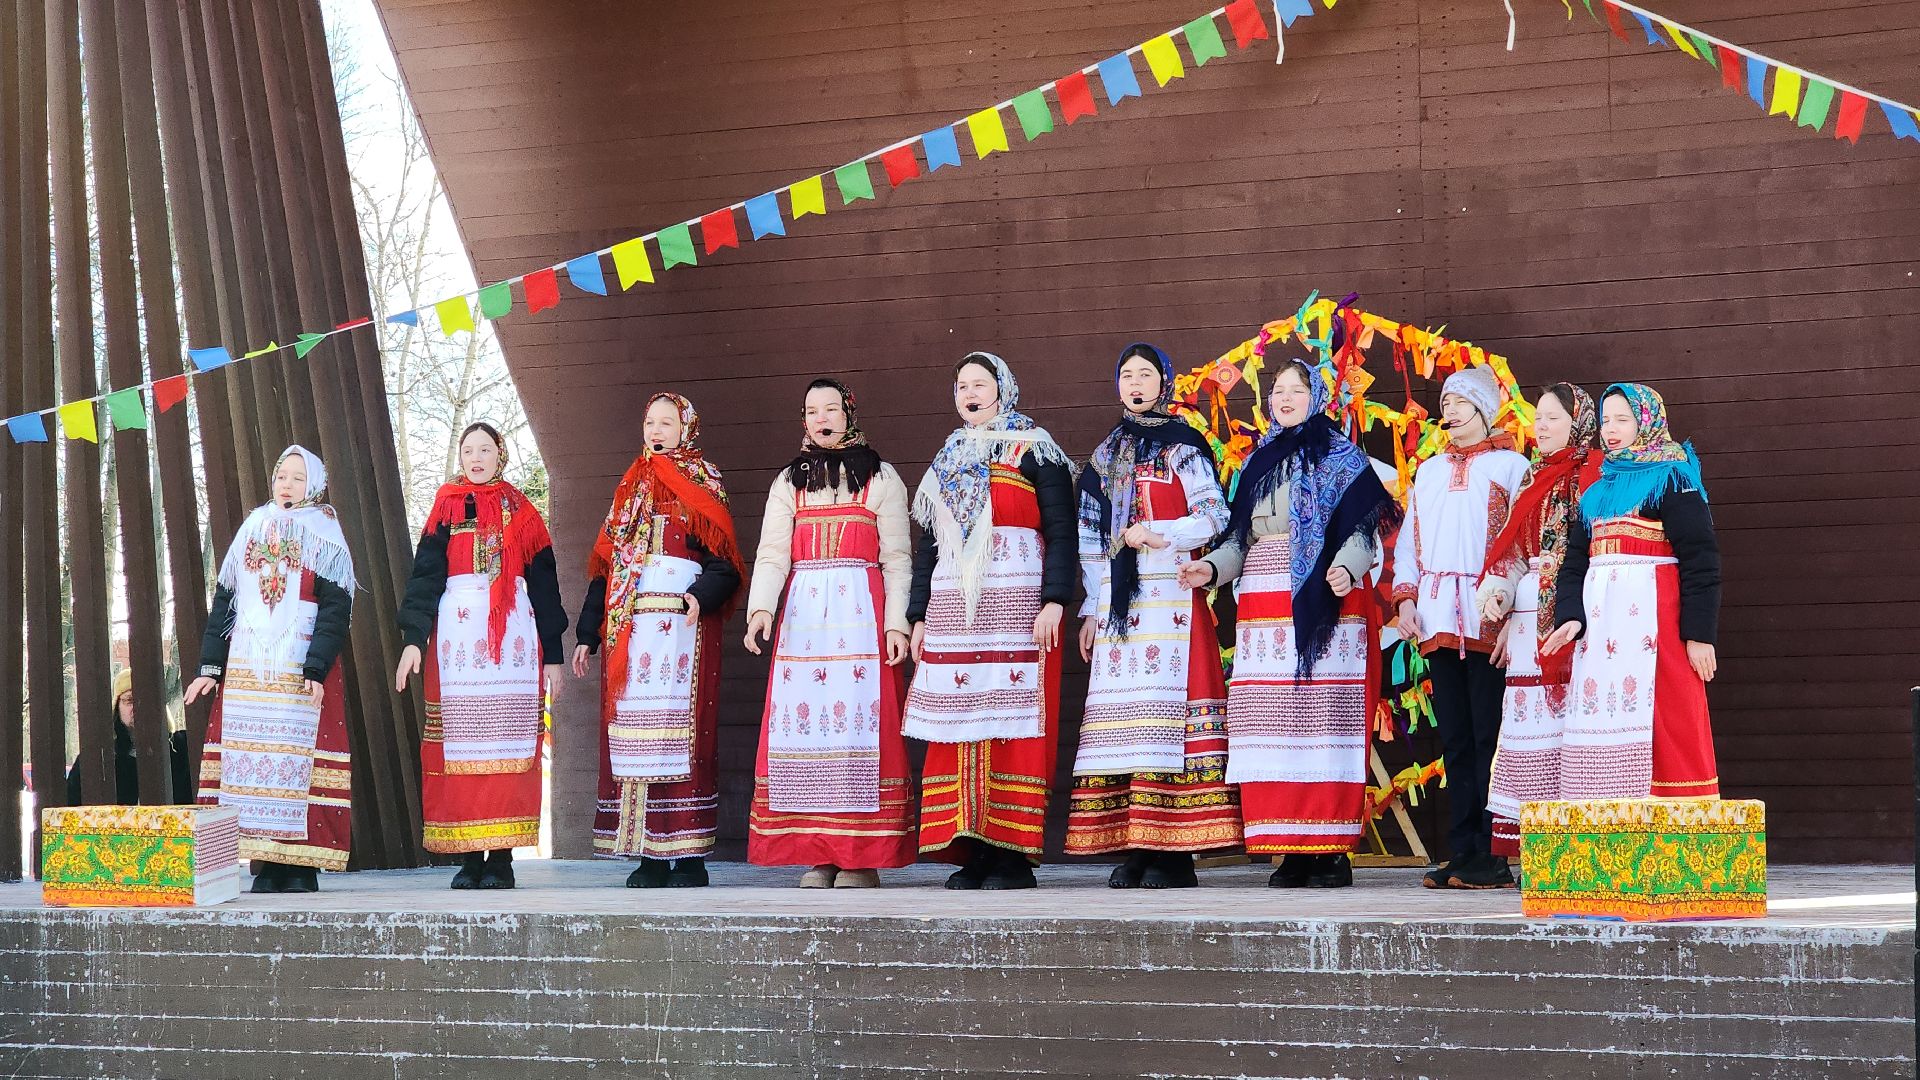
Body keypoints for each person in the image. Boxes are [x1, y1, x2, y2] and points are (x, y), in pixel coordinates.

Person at [1182, 356, 1397, 888]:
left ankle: (1330, 849)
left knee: (1325, 723)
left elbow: (1363, 532)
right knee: (1270, 723)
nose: (1284, 398)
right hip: (1263, 609)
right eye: (1277, 390)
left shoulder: (1344, 459)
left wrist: (1346, 569)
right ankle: (1288, 848)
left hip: (1327, 605)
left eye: (1295, 389)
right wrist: (1210, 568)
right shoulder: (1258, 462)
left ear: (1316, 396)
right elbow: (1238, 540)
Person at [1068, 343, 1239, 888]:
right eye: (1126, 375)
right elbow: (1089, 539)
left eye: (1145, 375)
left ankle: (1178, 853)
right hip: (1123, 612)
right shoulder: (1103, 458)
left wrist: (1166, 535)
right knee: (1130, 724)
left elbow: (1215, 513)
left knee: (1173, 723)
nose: (1135, 384)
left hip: (1172, 597)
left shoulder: (1184, 446)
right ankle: (1137, 843)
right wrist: (1093, 609)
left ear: (1164, 383)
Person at [905, 353, 1075, 890]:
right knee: (959, 721)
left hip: (1018, 603)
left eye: (980, 384)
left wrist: (1055, 600)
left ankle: (1013, 854)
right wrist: (918, 616)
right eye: (961, 385)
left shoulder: (1035, 447)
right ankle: (971, 847)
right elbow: (929, 544)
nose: (970, 393)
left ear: (1003, 390)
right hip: (956, 608)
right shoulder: (948, 457)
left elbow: (1061, 529)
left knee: (1014, 722)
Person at [743, 379, 915, 888]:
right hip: (804, 624)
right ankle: (820, 854)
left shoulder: (881, 478)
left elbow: (898, 559)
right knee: (808, 731)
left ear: (849, 414)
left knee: (855, 731)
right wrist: (761, 611)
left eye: (831, 409)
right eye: (812, 411)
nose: (822, 418)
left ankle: (859, 856)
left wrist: (896, 623)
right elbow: (773, 553)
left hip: (859, 618)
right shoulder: (787, 482)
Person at [574, 393, 743, 888]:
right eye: (650, 421)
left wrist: (700, 596)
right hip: (631, 631)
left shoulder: (704, 481)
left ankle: (688, 856)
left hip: (683, 629)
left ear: (686, 428)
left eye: (667, 422)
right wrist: (588, 634)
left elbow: (725, 562)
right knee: (636, 740)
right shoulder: (629, 488)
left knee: (681, 736)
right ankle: (648, 855)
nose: (657, 430)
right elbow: (608, 570)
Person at [395, 423, 567, 890]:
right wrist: (413, 638)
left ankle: (503, 858)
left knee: (504, 746)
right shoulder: (446, 508)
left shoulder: (521, 511)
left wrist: (552, 653)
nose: (476, 457)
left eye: (485, 449)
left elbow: (545, 583)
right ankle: (470, 857)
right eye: (469, 449)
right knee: (461, 746)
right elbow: (425, 576)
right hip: (456, 641)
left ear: (500, 455)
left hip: (510, 639)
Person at [185, 446, 354, 894]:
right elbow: (227, 600)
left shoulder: (325, 533)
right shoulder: (252, 527)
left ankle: (299, 864)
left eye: (299, 478)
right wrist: (209, 666)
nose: (288, 485)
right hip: (249, 666)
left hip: (298, 666)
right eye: (283, 476)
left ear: (314, 485)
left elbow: (336, 609)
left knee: (293, 759)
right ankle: (263, 858)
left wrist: (317, 667)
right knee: (252, 758)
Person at [1543, 383, 1720, 802]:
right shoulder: (1598, 489)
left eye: (1623, 419)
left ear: (1647, 421)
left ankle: (1676, 839)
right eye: (1607, 420)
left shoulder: (1673, 478)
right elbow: (1575, 562)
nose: (1612, 430)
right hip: (1603, 639)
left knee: (1666, 717)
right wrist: (1570, 616)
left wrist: (1699, 634)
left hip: (1658, 632)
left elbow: (1701, 560)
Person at [1390, 366, 1530, 889]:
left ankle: (1493, 853)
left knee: (1487, 734)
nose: (1449, 413)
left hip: (1489, 617)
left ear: (1483, 410)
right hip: (1438, 618)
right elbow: (1410, 543)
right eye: (1445, 404)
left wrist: (1508, 609)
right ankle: (1464, 848)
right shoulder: (1427, 472)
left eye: (1460, 404)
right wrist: (1405, 600)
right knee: (1454, 736)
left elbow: (1521, 544)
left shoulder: (1511, 466)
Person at [1475, 384, 1600, 856]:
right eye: (1537, 417)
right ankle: (1536, 847)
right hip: (1528, 621)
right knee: (1532, 732)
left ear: (1577, 422)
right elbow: (1513, 552)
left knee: (1569, 727)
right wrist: (1500, 597)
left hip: (1574, 612)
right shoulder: (1532, 477)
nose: (1540, 426)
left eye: (1551, 417)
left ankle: (1573, 843)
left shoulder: (1592, 475)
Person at [64, 667, 192, 806]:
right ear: (117, 706)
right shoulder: (96, 758)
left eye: (144, 699)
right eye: (129, 700)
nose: (137, 707)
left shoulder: (182, 749)